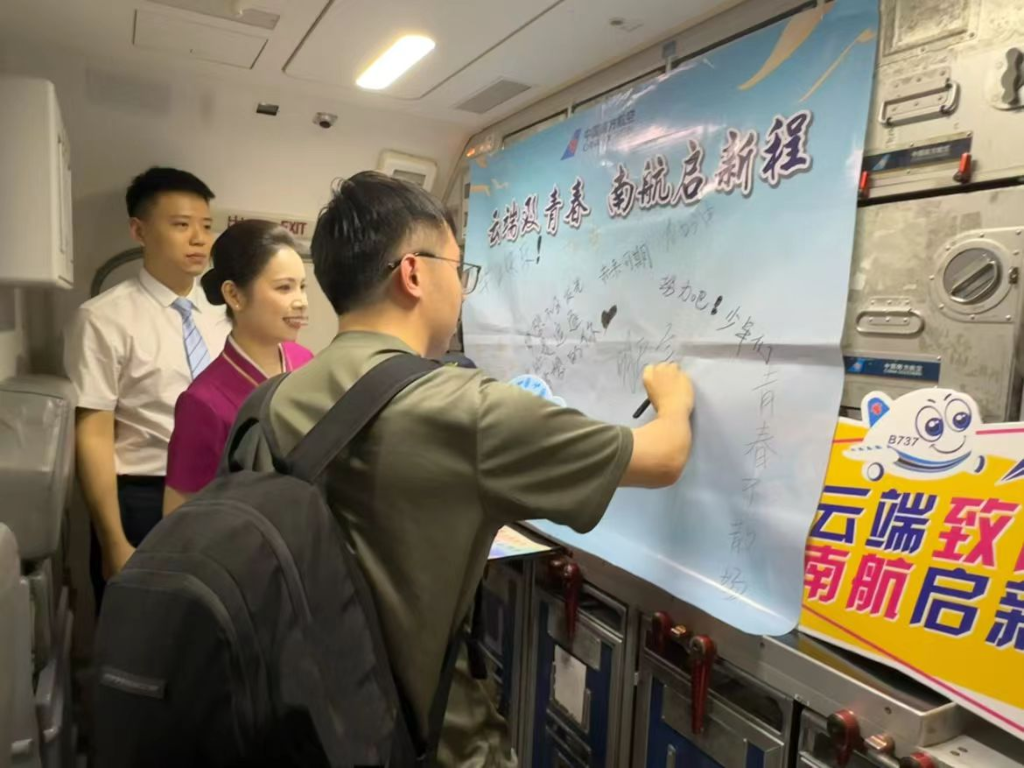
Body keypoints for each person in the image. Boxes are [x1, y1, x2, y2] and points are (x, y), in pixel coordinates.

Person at [265, 171, 695, 767]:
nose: (463, 291)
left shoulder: (270, 401)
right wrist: (673, 398)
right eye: (458, 269)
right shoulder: (466, 409)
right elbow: (662, 457)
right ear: (414, 273)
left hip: (302, 731)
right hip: (432, 745)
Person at [64, 167, 230, 610]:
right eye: (181, 225)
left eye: (206, 226)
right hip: (144, 497)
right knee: (137, 627)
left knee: (207, 626)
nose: (199, 239)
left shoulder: (226, 314)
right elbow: (94, 431)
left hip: (223, 492)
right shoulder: (104, 318)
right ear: (139, 231)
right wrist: (113, 539)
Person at [162, 220, 313, 514]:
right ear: (234, 295)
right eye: (284, 287)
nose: (301, 302)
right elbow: (180, 510)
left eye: (302, 287)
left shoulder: (305, 360)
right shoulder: (202, 402)